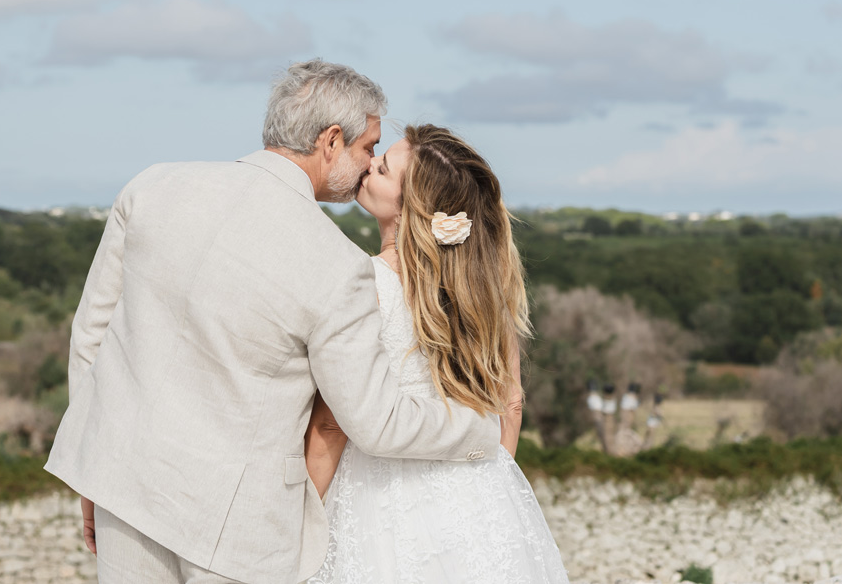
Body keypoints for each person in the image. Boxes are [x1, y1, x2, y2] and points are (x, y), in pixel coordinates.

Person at [45, 60, 502, 584]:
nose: (369, 163)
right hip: (238, 526)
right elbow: (373, 421)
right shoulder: (337, 265)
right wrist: (475, 430)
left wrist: (93, 472)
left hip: (123, 485)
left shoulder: (152, 187)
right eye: (367, 148)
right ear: (331, 141)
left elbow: (92, 338)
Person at [305, 124, 569, 583]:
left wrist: (301, 520)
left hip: (374, 497)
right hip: (478, 495)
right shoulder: (485, 287)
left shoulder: (366, 282)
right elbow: (511, 402)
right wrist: (494, 481)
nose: (368, 164)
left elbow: (332, 422)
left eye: (382, 168)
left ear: (412, 208)